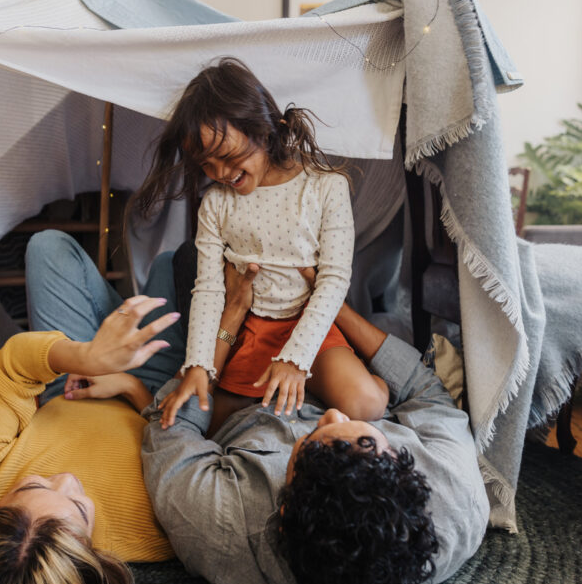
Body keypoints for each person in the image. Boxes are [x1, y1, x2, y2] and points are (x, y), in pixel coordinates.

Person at [140, 265, 490, 584]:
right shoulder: (456, 498)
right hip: (327, 349)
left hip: (233, 371)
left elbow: (172, 424)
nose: (334, 415)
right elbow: (423, 386)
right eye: (366, 434)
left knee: (184, 262)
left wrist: (230, 316)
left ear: (283, 510)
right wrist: (336, 305)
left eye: (310, 441)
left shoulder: (220, 527)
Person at [129, 57, 389, 429]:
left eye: (229, 156)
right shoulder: (216, 203)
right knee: (208, 422)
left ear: (267, 132)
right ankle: (301, 389)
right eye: (206, 164)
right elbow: (207, 290)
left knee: (365, 405)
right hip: (250, 329)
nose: (220, 173)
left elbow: (333, 281)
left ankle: (361, 379)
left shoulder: (325, 187)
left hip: (308, 326)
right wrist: (200, 363)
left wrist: (296, 358)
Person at [0, 290, 181, 584]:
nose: (67, 478)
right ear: (93, 557)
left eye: (32, 485)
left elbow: (12, 368)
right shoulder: (158, 533)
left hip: (69, 380)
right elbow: (189, 434)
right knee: (174, 264)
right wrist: (130, 386)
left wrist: (89, 358)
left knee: (48, 244)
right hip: (157, 391)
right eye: (81, 510)